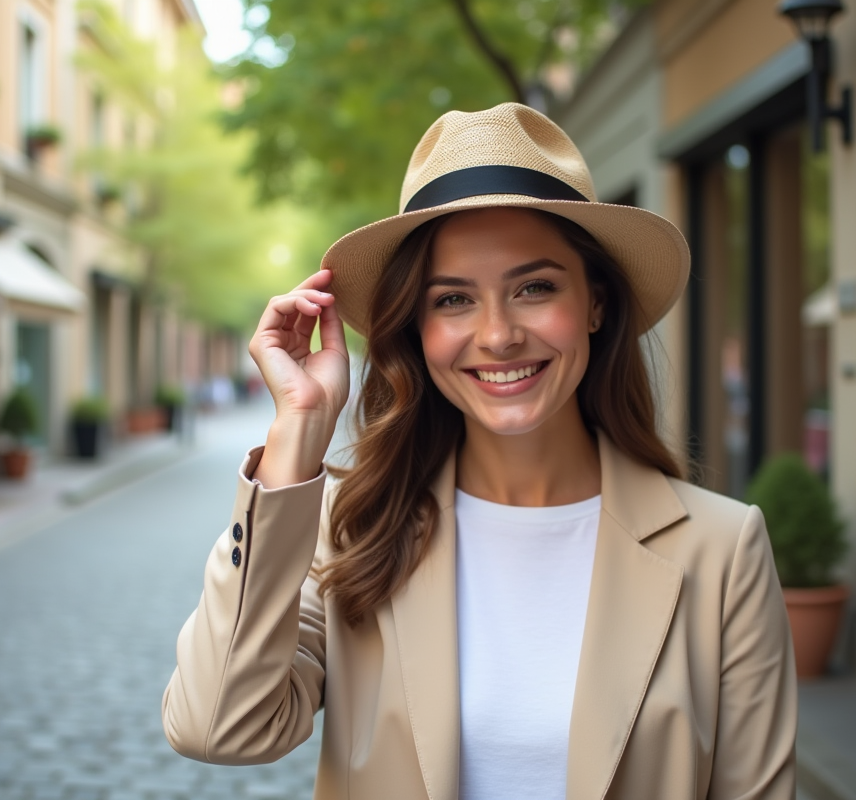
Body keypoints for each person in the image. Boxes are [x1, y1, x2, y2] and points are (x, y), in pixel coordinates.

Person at [162, 103, 797, 800]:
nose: (497, 335)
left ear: (595, 304)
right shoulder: (353, 528)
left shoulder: (722, 549)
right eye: (454, 299)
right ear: (418, 327)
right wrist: (296, 435)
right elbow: (216, 727)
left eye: (534, 288)